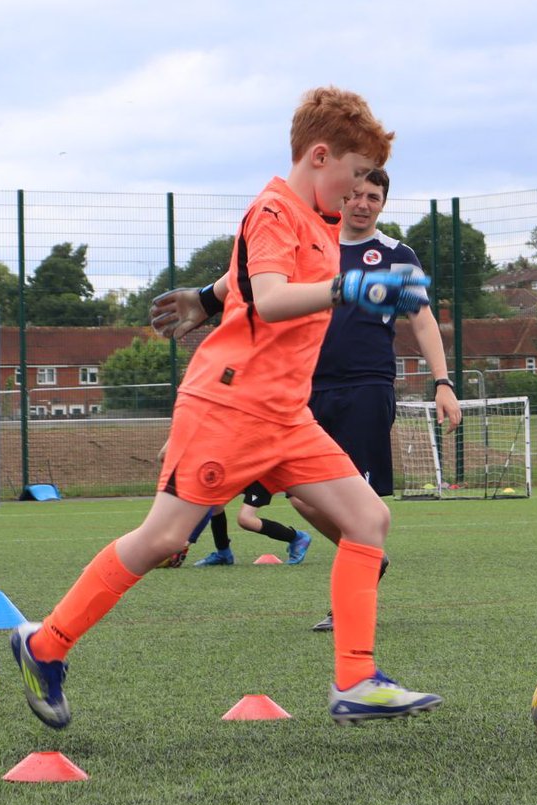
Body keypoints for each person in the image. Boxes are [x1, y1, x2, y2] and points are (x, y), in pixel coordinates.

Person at [10, 86, 442, 729]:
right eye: (354, 176)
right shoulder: (273, 208)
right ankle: (44, 644)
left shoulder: (320, 217)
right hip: (230, 406)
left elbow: (246, 280)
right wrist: (349, 288)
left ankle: (356, 679)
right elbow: (270, 297)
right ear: (320, 156)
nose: (358, 193)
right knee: (163, 539)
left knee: (368, 519)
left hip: (287, 415)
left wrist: (209, 299)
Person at [189, 168, 461, 625]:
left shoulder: (396, 255)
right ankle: (369, 558)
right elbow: (254, 274)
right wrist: (206, 300)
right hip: (303, 386)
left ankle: (349, 605)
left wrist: (443, 382)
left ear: (383, 203)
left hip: (366, 386)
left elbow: (421, 319)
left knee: (357, 502)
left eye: (373, 197)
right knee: (302, 497)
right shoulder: (312, 239)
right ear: (341, 195)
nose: (363, 204)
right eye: (356, 194)